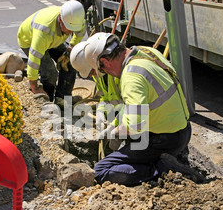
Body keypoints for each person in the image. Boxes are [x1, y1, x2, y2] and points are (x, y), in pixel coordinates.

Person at [78, 32, 204, 186]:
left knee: (101, 170)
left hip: (165, 139)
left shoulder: (131, 76)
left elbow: (135, 126)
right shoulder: (145, 52)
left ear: (105, 61)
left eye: (102, 70)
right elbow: (133, 107)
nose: (105, 74)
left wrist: (115, 132)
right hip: (181, 129)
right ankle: (163, 160)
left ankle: (164, 169)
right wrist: (115, 123)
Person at [17, 0, 86, 107]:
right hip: (29, 40)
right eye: (69, 29)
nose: (70, 33)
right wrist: (35, 87)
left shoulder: (76, 19)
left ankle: (62, 99)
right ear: (60, 20)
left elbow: (81, 31)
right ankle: (46, 100)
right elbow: (34, 61)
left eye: (73, 29)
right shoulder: (44, 32)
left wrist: (71, 47)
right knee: (50, 72)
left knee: (70, 62)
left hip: (53, 40)